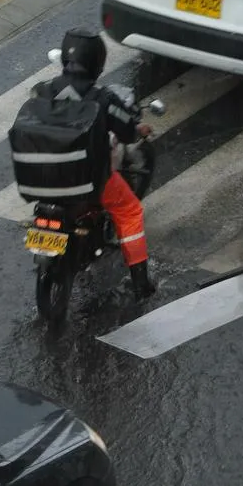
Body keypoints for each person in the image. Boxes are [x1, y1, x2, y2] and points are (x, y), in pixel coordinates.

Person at [34, 28, 157, 299]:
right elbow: (126, 131)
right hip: (90, 179)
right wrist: (139, 131)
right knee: (130, 211)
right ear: (97, 63)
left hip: (44, 176)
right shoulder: (103, 99)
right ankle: (140, 283)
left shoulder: (43, 90)